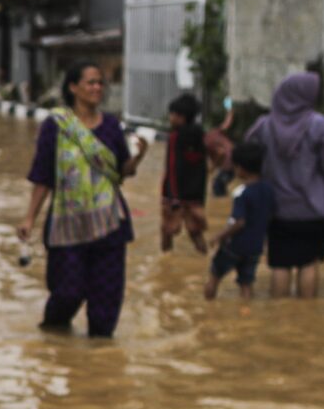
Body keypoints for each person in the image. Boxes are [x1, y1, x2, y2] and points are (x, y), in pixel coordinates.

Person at [16, 62, 146, 336]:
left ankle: (98, 365)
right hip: (67, 224)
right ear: (73, 87)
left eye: (100, 83)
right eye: (90, 82)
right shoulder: (56, 126)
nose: (97, 88)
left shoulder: (111, 126)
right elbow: (43, 175)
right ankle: (54, 345)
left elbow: (121, 173)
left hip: (108, 224)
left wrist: (138, 157)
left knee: (106, 301)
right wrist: (30, 217)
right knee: (67, 292)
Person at [243, 71, 324, 299]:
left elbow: (246, 156)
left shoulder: (264, 125)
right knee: (308, 263)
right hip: (313, 208)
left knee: (280, 264)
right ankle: (304, 319)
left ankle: (281, 319)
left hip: (276, 209)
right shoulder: (320, 125)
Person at [204, 141, 272, 301]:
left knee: (214, 276)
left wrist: (219, 236)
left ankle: (208, 309)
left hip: (234, 246)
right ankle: (246, 312)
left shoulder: (242, 193)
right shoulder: (269, 190)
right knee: (246, 284)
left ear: (240, 168)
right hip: (255, 248)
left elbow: (239, 222)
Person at [159, 91, 210, 254]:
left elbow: (173, 167)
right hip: (195, 195)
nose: (170, 117)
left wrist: (174, 198)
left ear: (181, 117)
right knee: (196, 232)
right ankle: (205, 258)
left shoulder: (175, 137)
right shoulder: (200, 135)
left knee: (167, 230)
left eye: (173, 114)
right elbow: (205, 167)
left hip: (174, 194)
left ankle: (165, 262)